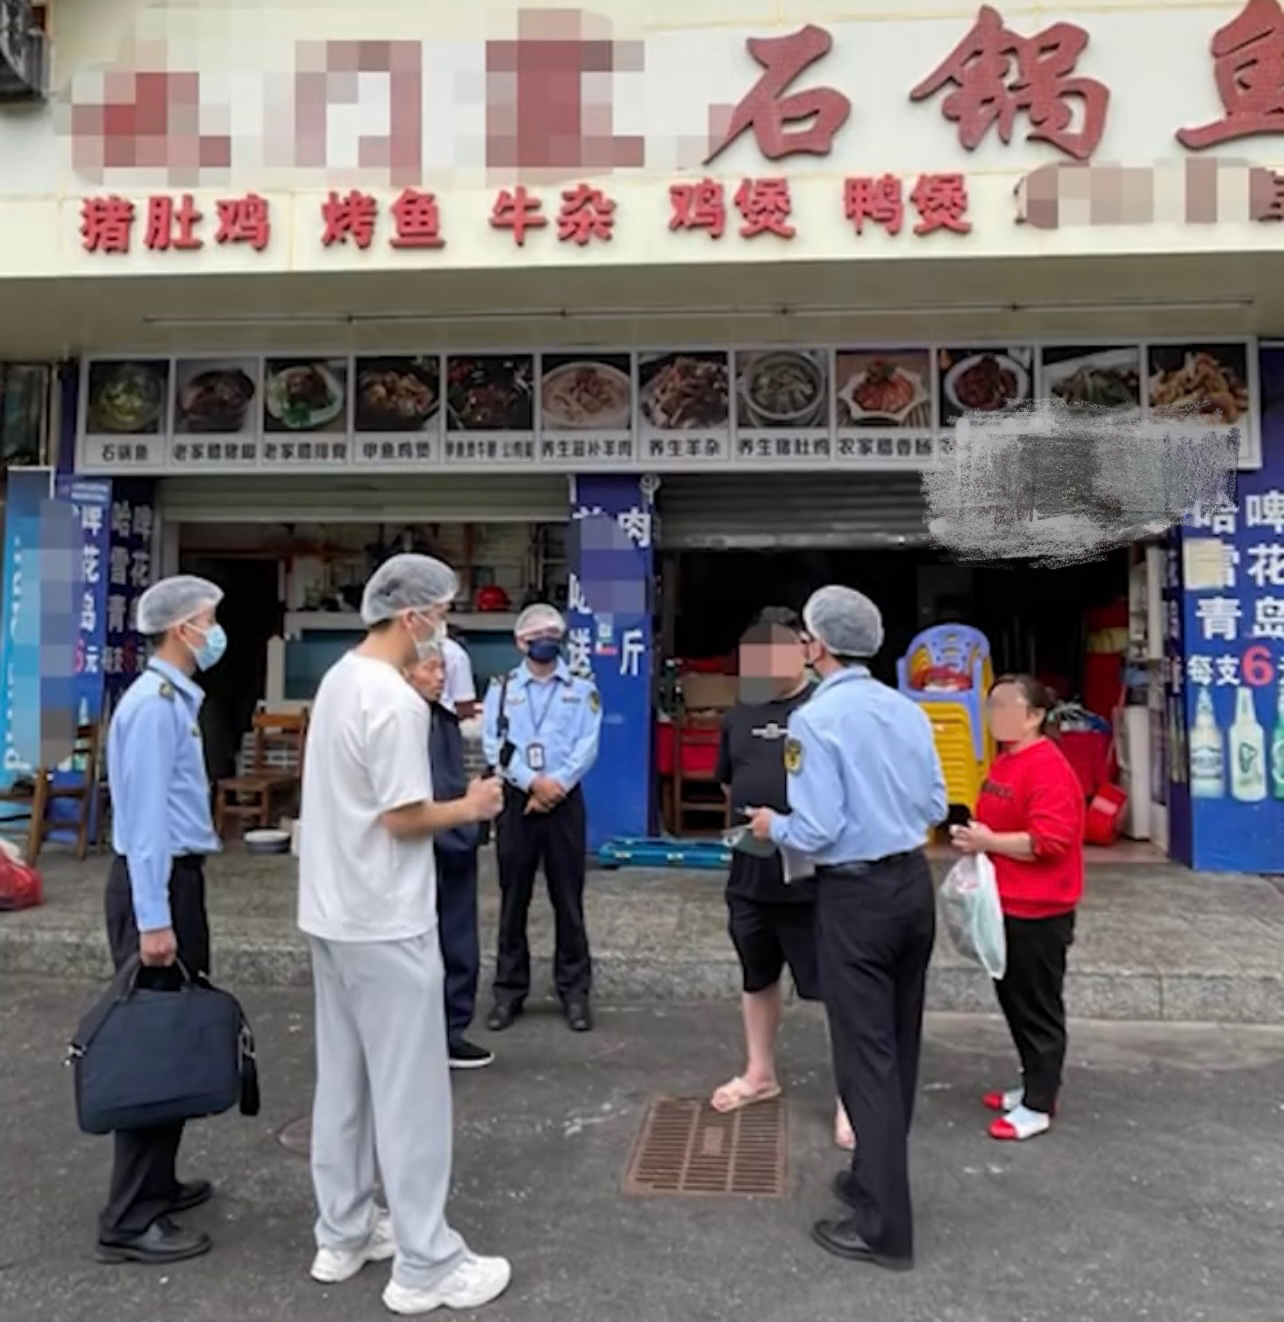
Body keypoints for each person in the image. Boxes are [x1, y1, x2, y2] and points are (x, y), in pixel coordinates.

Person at [297, 553, 509, 1316]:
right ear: (412, 615)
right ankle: (427, 1262)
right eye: (441, 613)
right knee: (412, 1095)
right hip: (386, 917)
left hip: (331, 912)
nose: (443, 629)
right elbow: (403, 816)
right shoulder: (395, 701)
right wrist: (472, 806)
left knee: (345, 1082)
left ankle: (344, 1231)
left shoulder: (340, 679)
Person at [748, 585, 946, 1273]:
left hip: (854, 897)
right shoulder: (908, 710)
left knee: (865, 1058)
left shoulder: (815, 720)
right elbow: (934, 802)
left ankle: (885, 1228)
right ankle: (870, 1178)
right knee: (898, 1045)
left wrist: (774, 826)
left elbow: (817, 827)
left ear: (818, 647)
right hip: (912, 885)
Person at [97, 574, 226, 1265]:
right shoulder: (155, 706)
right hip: (157, 884)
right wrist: (154, 919)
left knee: (173, 1035)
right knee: (151, 1044)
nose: (216, 632)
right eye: (211, 620)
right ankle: (128, 1217)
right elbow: (145, 822)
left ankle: (157, 1183)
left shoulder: (173, 700)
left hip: (174, 881)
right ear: (183, 629)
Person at [710, 613, 855, 1152]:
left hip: (814, 879)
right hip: (751, 874)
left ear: (806, 649)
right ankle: (759, 1073)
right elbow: (729, 784)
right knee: (757, 976)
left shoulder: (828, 711)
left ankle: (853, 1097)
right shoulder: (739, 714)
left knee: (837, 989)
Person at [950, 674, 1085, 1143]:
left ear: (1035, 715)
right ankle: (1033, 1086)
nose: (996, 716)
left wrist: (988, 841)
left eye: (1007, 706)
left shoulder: (1048, 768)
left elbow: (1050, 842)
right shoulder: (1006, 761)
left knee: (1037, 1007)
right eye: (992, 706)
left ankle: (1040, 1104)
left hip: (1039, 908)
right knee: (1014, 999)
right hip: (1005, 902)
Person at [483, 603, 602, 1034]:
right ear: (520, 642)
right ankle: (508, 992)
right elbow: (493, 744)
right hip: (518, 801)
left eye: (554, 634)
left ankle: (574, 992)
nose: (546, 641)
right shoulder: (501, 688)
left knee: (568, 900)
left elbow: (588, 743)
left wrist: (557, 785)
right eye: (537, 635)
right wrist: (532, 782)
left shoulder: (581, 687)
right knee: (513, 899)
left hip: (564, 802)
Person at [406, 643, 491, 1070]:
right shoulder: (400, 720)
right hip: (419, 841)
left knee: (457, 940)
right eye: (431, 668)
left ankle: (451, 1030)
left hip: (454, 839)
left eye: (443, 668)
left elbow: (450, 780)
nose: (441, 677)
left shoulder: (442, 720)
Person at [440, 632, 479, 722]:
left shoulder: (454, 653)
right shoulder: (453, 652)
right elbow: (466, 707)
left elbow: (465, 704)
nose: (439, 676)